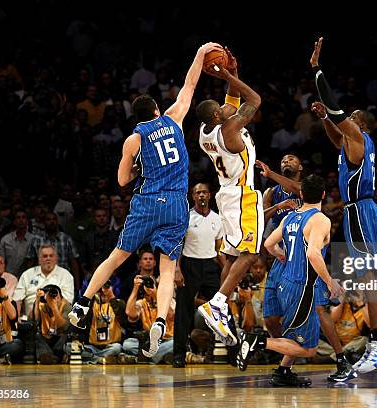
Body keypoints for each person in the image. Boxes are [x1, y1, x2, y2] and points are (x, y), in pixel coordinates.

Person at [68, 42, 222, 359]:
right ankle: (161, 321)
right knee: (167, 270)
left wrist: (139, 164)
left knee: (117, 257)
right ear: (156, 110)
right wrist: (201, 52)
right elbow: (190, 84)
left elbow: (123, 181)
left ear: (135, 116)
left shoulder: (133, 139)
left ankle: (83, 302)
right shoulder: (174, 117)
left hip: (148, 202)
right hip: (178, 204)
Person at [309, 37, 377, 373]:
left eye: (352, 120)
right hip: (361, 211)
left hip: (359, 210)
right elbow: (335, 134)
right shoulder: (354, 145)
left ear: (362, 126)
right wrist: (325, 121)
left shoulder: (359, 137)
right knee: (366, 277)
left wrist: (317, 71)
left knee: (369, 277)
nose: (348, 123)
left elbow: (335, 109)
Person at [236, 175, 344, 387]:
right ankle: (257, 341)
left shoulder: (290, 218)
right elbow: (313, 254)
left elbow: (268, 244)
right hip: (303, 286)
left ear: (301, 194)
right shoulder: (320, 220)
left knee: (298, 337)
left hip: (286, 282)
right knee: (309, 349)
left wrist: (281, 255)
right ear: (323, 195)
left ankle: (283, 371)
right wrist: (330, 282)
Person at [257, 155, 356, 382]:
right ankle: (277, 352)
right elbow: (261, 223)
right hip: (293, 266)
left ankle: (332, 360)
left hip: (297, 266)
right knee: (277, 320)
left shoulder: (298, 198)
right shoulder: (275, 195)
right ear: (322, 195)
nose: (286, 161)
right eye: (283, 159)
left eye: (292, 159)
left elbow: (270, 243)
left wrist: (270, 172)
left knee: (317, 311)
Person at [195, 49, 263, 347]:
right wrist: (225, 75)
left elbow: (233, 101)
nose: (228, 108)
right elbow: (255, 101)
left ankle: (219, 304)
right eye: (222, 109)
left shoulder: (205, 131)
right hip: (243, 195)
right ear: (216, 116)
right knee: (250, 254)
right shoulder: (231, 128)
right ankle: (219, 302)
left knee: (234, 255)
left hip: (226, 195)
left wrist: (233, 71)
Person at [173, 183, 224, 367]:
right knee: (183, 312)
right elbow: (178, 245)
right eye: (197, 193)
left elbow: (219, 250)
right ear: (193, 196)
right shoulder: (186, 217)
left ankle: (233, 352)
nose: (201, 195)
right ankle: (178, 355)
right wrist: (177, 269)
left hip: (210, 265)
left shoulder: (217, 219)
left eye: (204, 192)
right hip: (189, 264)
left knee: (221, 307)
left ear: (209, 195)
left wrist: (226, 273)